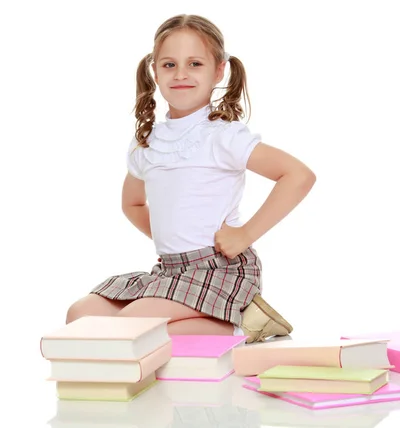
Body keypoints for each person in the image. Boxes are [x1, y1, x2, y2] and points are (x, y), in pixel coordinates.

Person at [65, 14, 316, 343]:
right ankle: (193, 327)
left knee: (129, 327)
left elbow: (298, 175)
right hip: (170, 271)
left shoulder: (223, 136)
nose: (181, 74)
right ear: (155, 71)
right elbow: (132, 202)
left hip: (219, 270)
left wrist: (244, 234)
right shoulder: (148, 142)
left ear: (219, 70)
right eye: (169, 65)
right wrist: (172, 235)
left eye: (194, 63)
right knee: (80, 315)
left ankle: (241, 326)